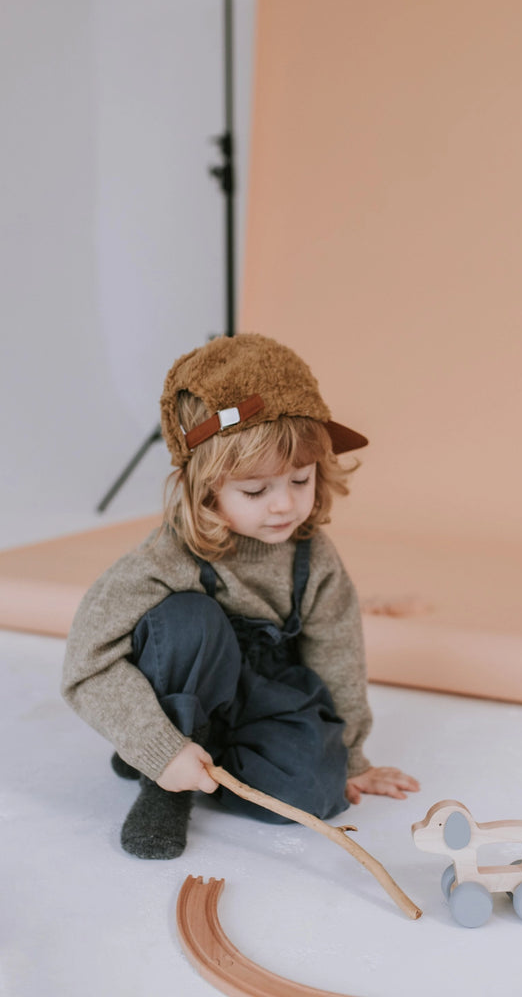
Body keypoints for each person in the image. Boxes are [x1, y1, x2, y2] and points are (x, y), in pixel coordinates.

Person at [62, 333, 419, 859]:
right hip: (189, 680)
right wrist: (158, 747)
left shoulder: (313, 557)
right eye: (255, 491)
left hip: (260, 697)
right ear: (204, 487)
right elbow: (85, 663)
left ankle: (196, 755)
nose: (284, 506)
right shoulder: (167, 557)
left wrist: (353, 758)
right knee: (190, 621)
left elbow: (338, 654)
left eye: (300, 479)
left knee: (314, 791)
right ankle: (162, 779)